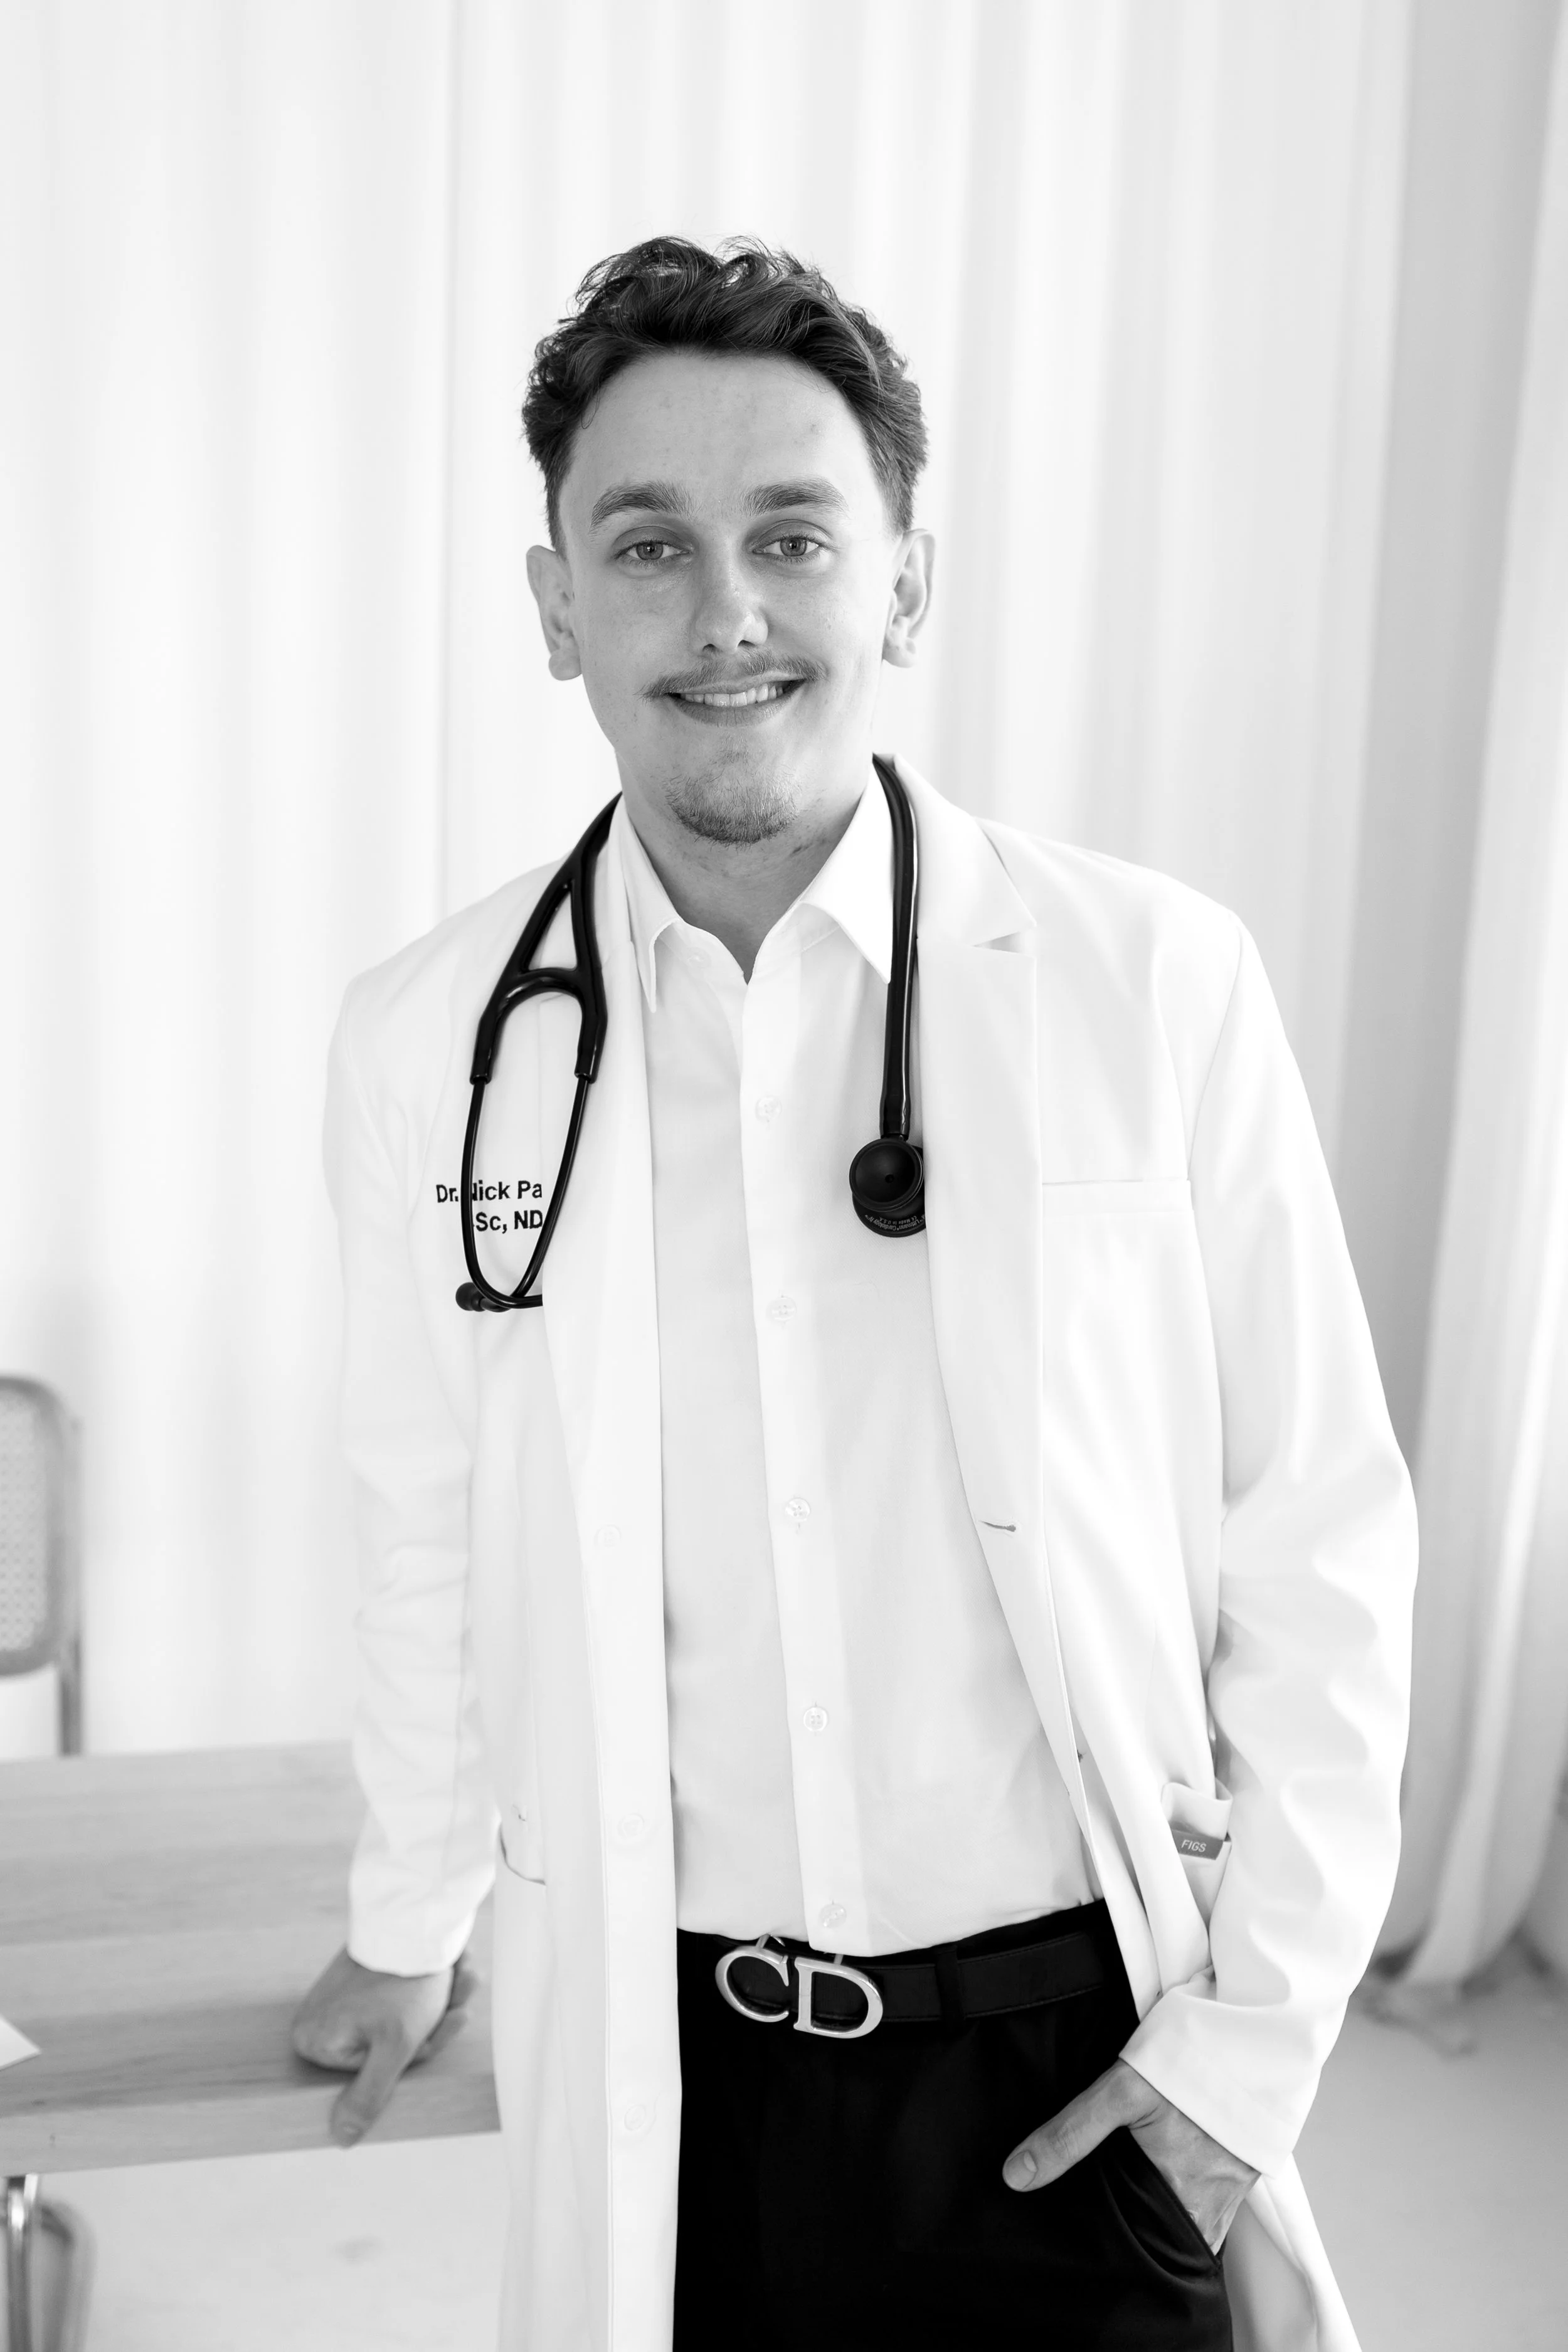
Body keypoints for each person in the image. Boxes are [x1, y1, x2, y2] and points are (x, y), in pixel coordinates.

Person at [291, 236, 1416, 2352]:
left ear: (901, 580)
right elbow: (421, 1518)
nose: (724, 613)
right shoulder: (427, 1043)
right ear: (555, 608)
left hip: (1089, 2075)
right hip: (682, 2088)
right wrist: (406, 1917)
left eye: (793, 535)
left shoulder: (1149, 983)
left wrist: (1236, 2060)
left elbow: (1322, 1541)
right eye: (646, 545)